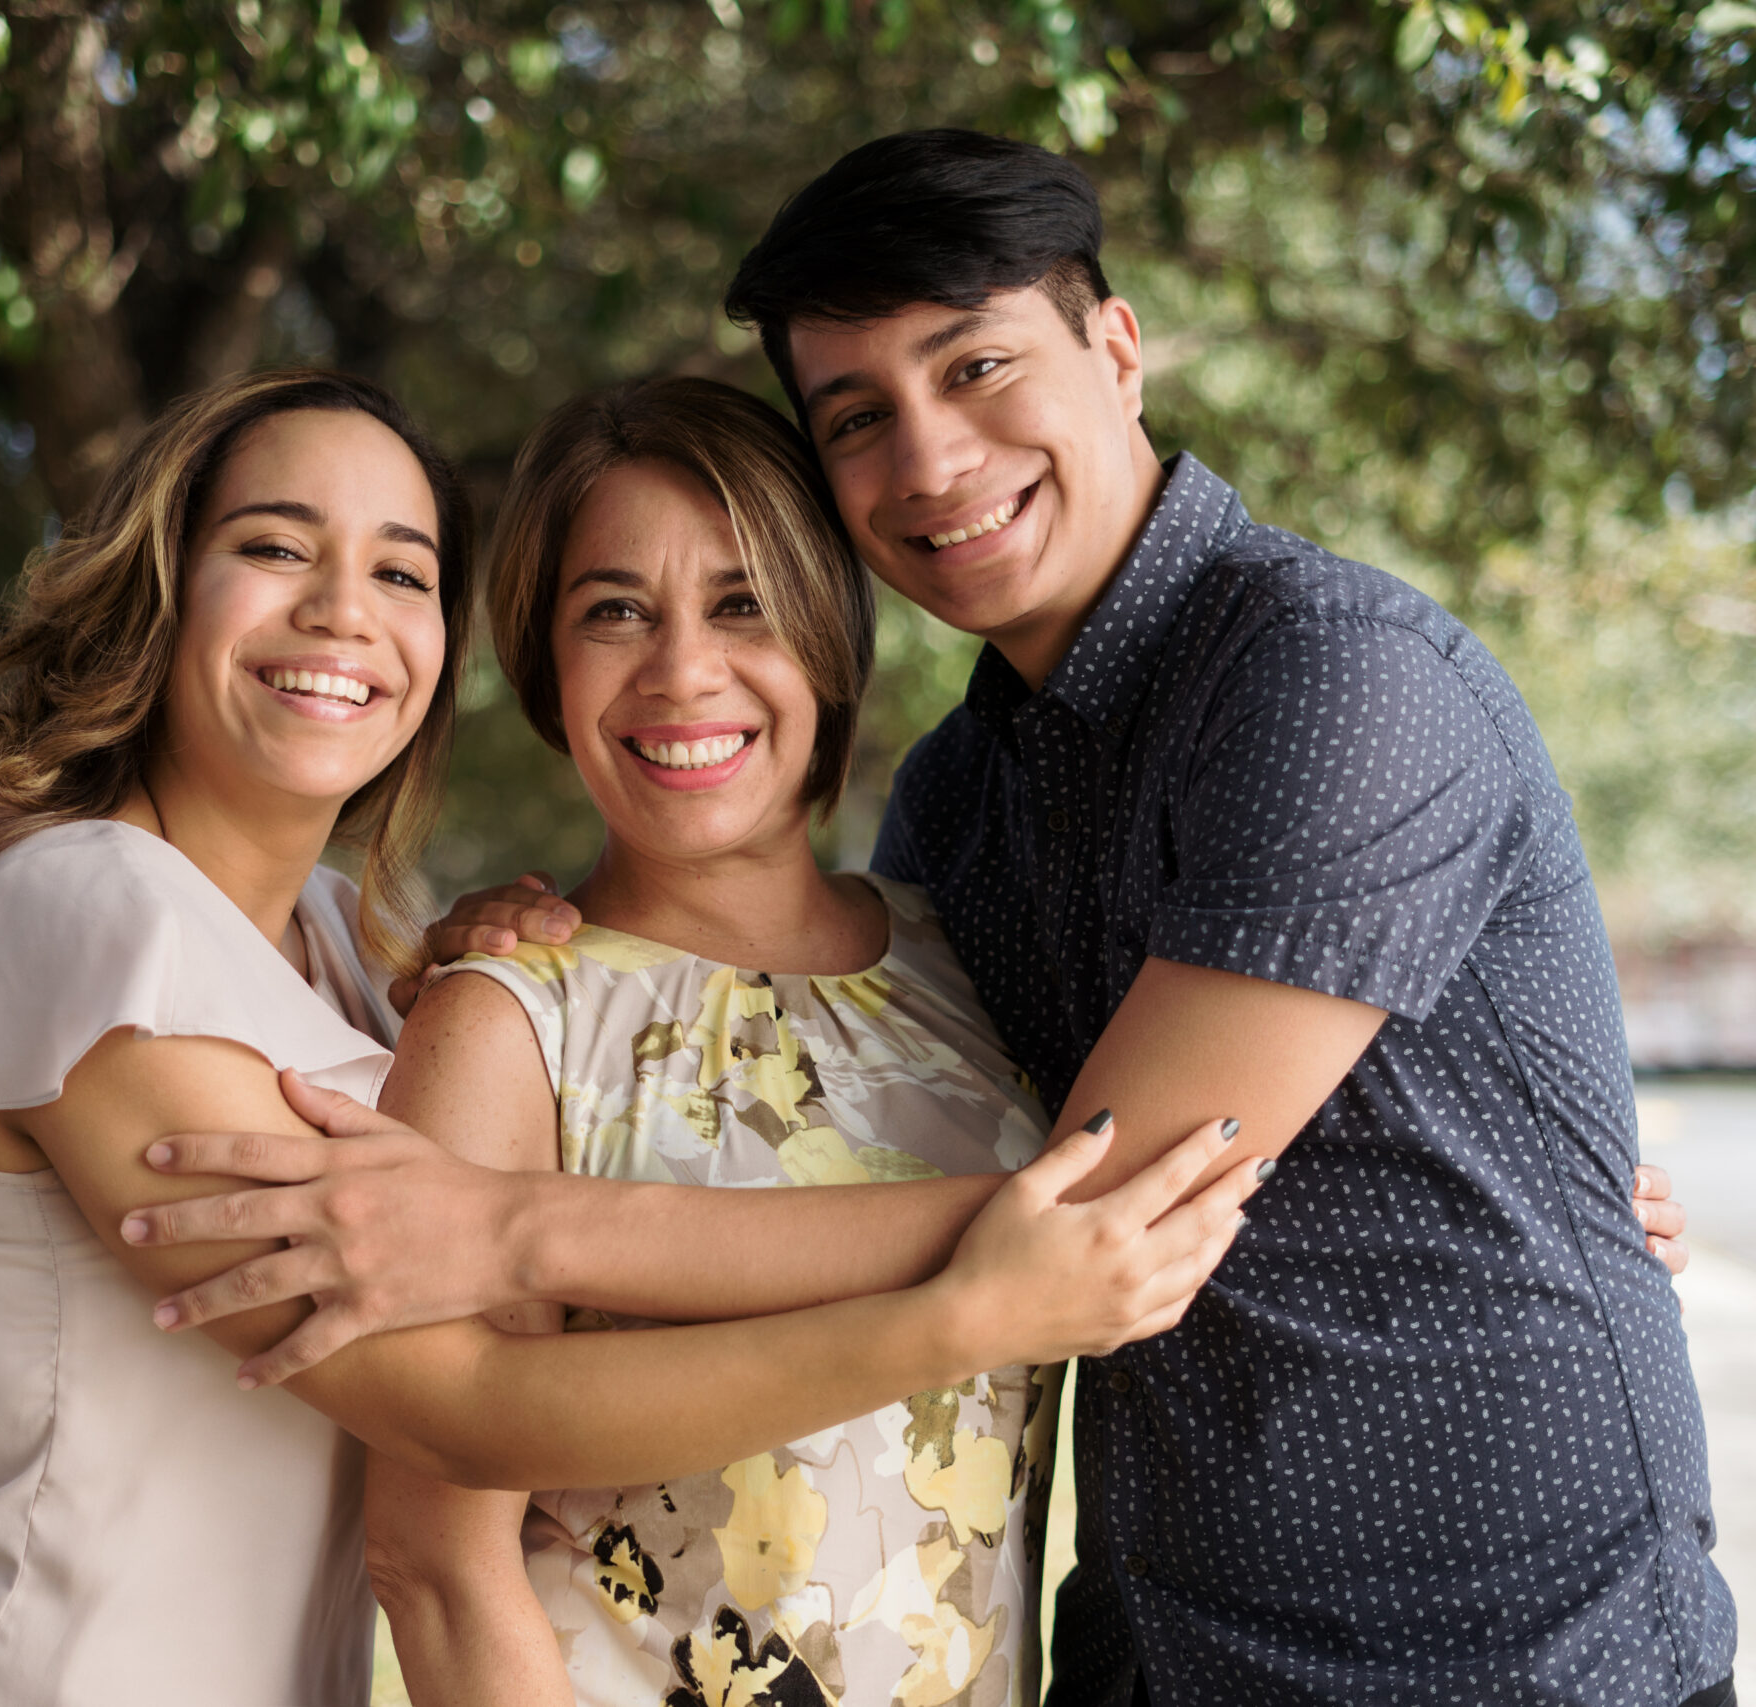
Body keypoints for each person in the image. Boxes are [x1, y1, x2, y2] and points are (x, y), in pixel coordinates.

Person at [135, 131, 1727, 1707]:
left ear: (1117, 348)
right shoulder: (957, 814)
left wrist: (503, 1221)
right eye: (857, 417)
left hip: (1504, 1657)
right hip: (1160, 1658)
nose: (932, 460)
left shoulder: (1332, 680)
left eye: (976, 369)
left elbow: (1106, 1193)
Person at [0, 366, 1250, 1707]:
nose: (344, 612)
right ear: (162, 587)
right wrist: (985, 1292)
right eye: (275, 548)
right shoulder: (86, 913)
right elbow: (459, 1415)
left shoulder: (343, 946)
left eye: (400, 573)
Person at [362, 377, 1256, 1705]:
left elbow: (1211, 1166)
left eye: (744, 603)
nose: (681, 670)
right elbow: (438, 1567)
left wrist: (1582, 1206)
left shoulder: (969, 961)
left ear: (829, 638)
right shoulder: (505, 1022)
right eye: (614, 611)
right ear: (548, 670)